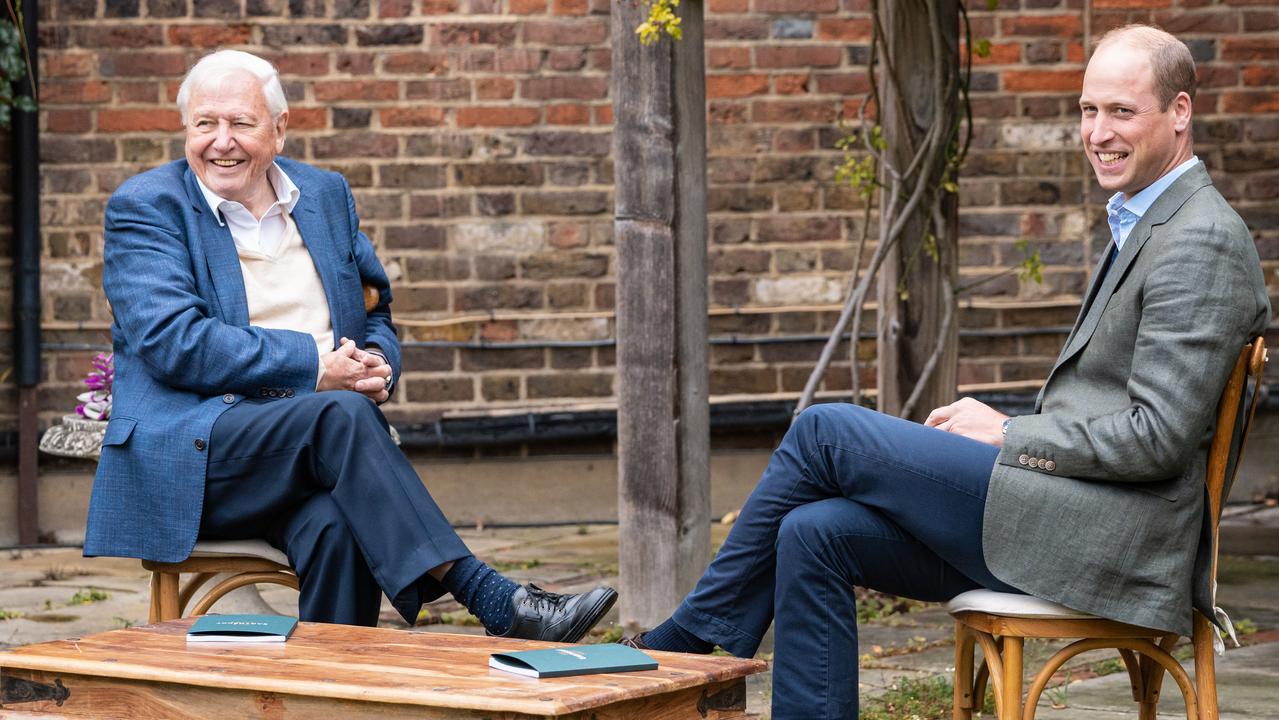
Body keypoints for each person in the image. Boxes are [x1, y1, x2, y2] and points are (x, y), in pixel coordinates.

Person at [621, 24, 1271, 719]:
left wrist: (1009, 434)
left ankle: (687, 642)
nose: (1097, 132)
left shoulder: (1198, 237)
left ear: (1178, 112)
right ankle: (699, 646)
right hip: (1061, 518)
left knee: (824, 432)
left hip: (1107, 546)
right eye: (1087, 110)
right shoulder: (1147, 223)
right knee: (811, 531)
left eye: (1120, 111)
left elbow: (1156, 437)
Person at [84, 50, 616, 641]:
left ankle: (334, 686)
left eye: (240, 123)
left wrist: (376, 364)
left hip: (311, 452)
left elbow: (373, 308)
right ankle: (491, 598)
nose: (220, 141)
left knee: (336, 523)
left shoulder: (324, 195)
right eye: (204, 123)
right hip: (198, 453)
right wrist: (317, 369)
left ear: (280, 129)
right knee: (339, 413)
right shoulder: (148, 206)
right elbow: (173, 342)